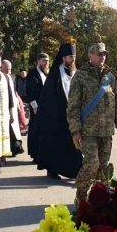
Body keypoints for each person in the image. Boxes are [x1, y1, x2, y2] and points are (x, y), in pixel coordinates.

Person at [67, 42, 117, 206]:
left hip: (106, 131)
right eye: (99, 54)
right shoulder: (80, 76)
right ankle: (81, 195)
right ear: (90, 56)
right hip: (88, 131)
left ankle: (99, 199)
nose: (102, 57)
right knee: (92, 164)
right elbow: (73, 105)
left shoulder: (110, 77)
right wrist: (75, 130)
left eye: (104, 54)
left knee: (103, 168)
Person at [37, 43, 82, 180]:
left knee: (74, 145)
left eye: (74, 56)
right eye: (70, 57)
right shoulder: (56, 74)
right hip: (57, 118)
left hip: (73, 117)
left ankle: (74, 171)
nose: (73, 59)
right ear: (63, 58)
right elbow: (48, 97)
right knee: (56, 145)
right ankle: (53, 170)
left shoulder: (77, 73)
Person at [26, 53, 49, 164]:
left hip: (46, 107)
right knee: (35, 131)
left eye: (47, 61)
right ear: (38, 61)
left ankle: (42, 153)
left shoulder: (47, 74)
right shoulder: (32, 74)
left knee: (44, 131)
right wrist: (35, 106)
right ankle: (35, 154)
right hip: (36, 107)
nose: (46, 63)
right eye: (44, 60)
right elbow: (29, 93)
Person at [1, 59, 24, 157]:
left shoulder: (12, 77)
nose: (8, 71)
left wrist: (18, 104)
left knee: (14, 128)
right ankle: (15, 148)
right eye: (6, 69)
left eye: (9, 69)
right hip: (4, 107)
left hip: (13, 106)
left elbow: (14, 92)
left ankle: (15, 148)